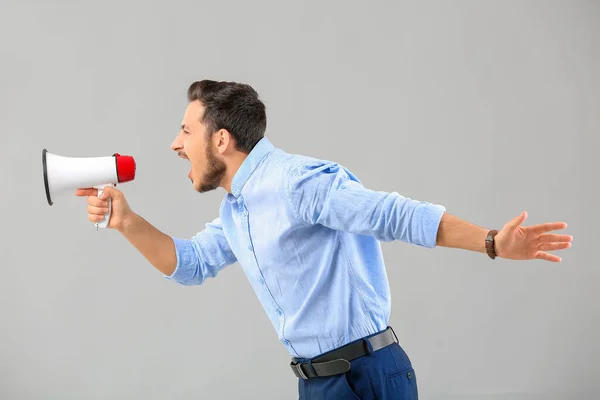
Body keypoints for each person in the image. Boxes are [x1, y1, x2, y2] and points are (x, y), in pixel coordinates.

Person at [76, 80, 573, 400]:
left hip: (368, 377)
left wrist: (491, 242)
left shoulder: (297, 182)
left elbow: (392, 214)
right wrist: (126, 221)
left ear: (221, 140)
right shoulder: (237, 211)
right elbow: (190, 264)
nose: (175, 144)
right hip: (318, 384)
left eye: (186, 131)